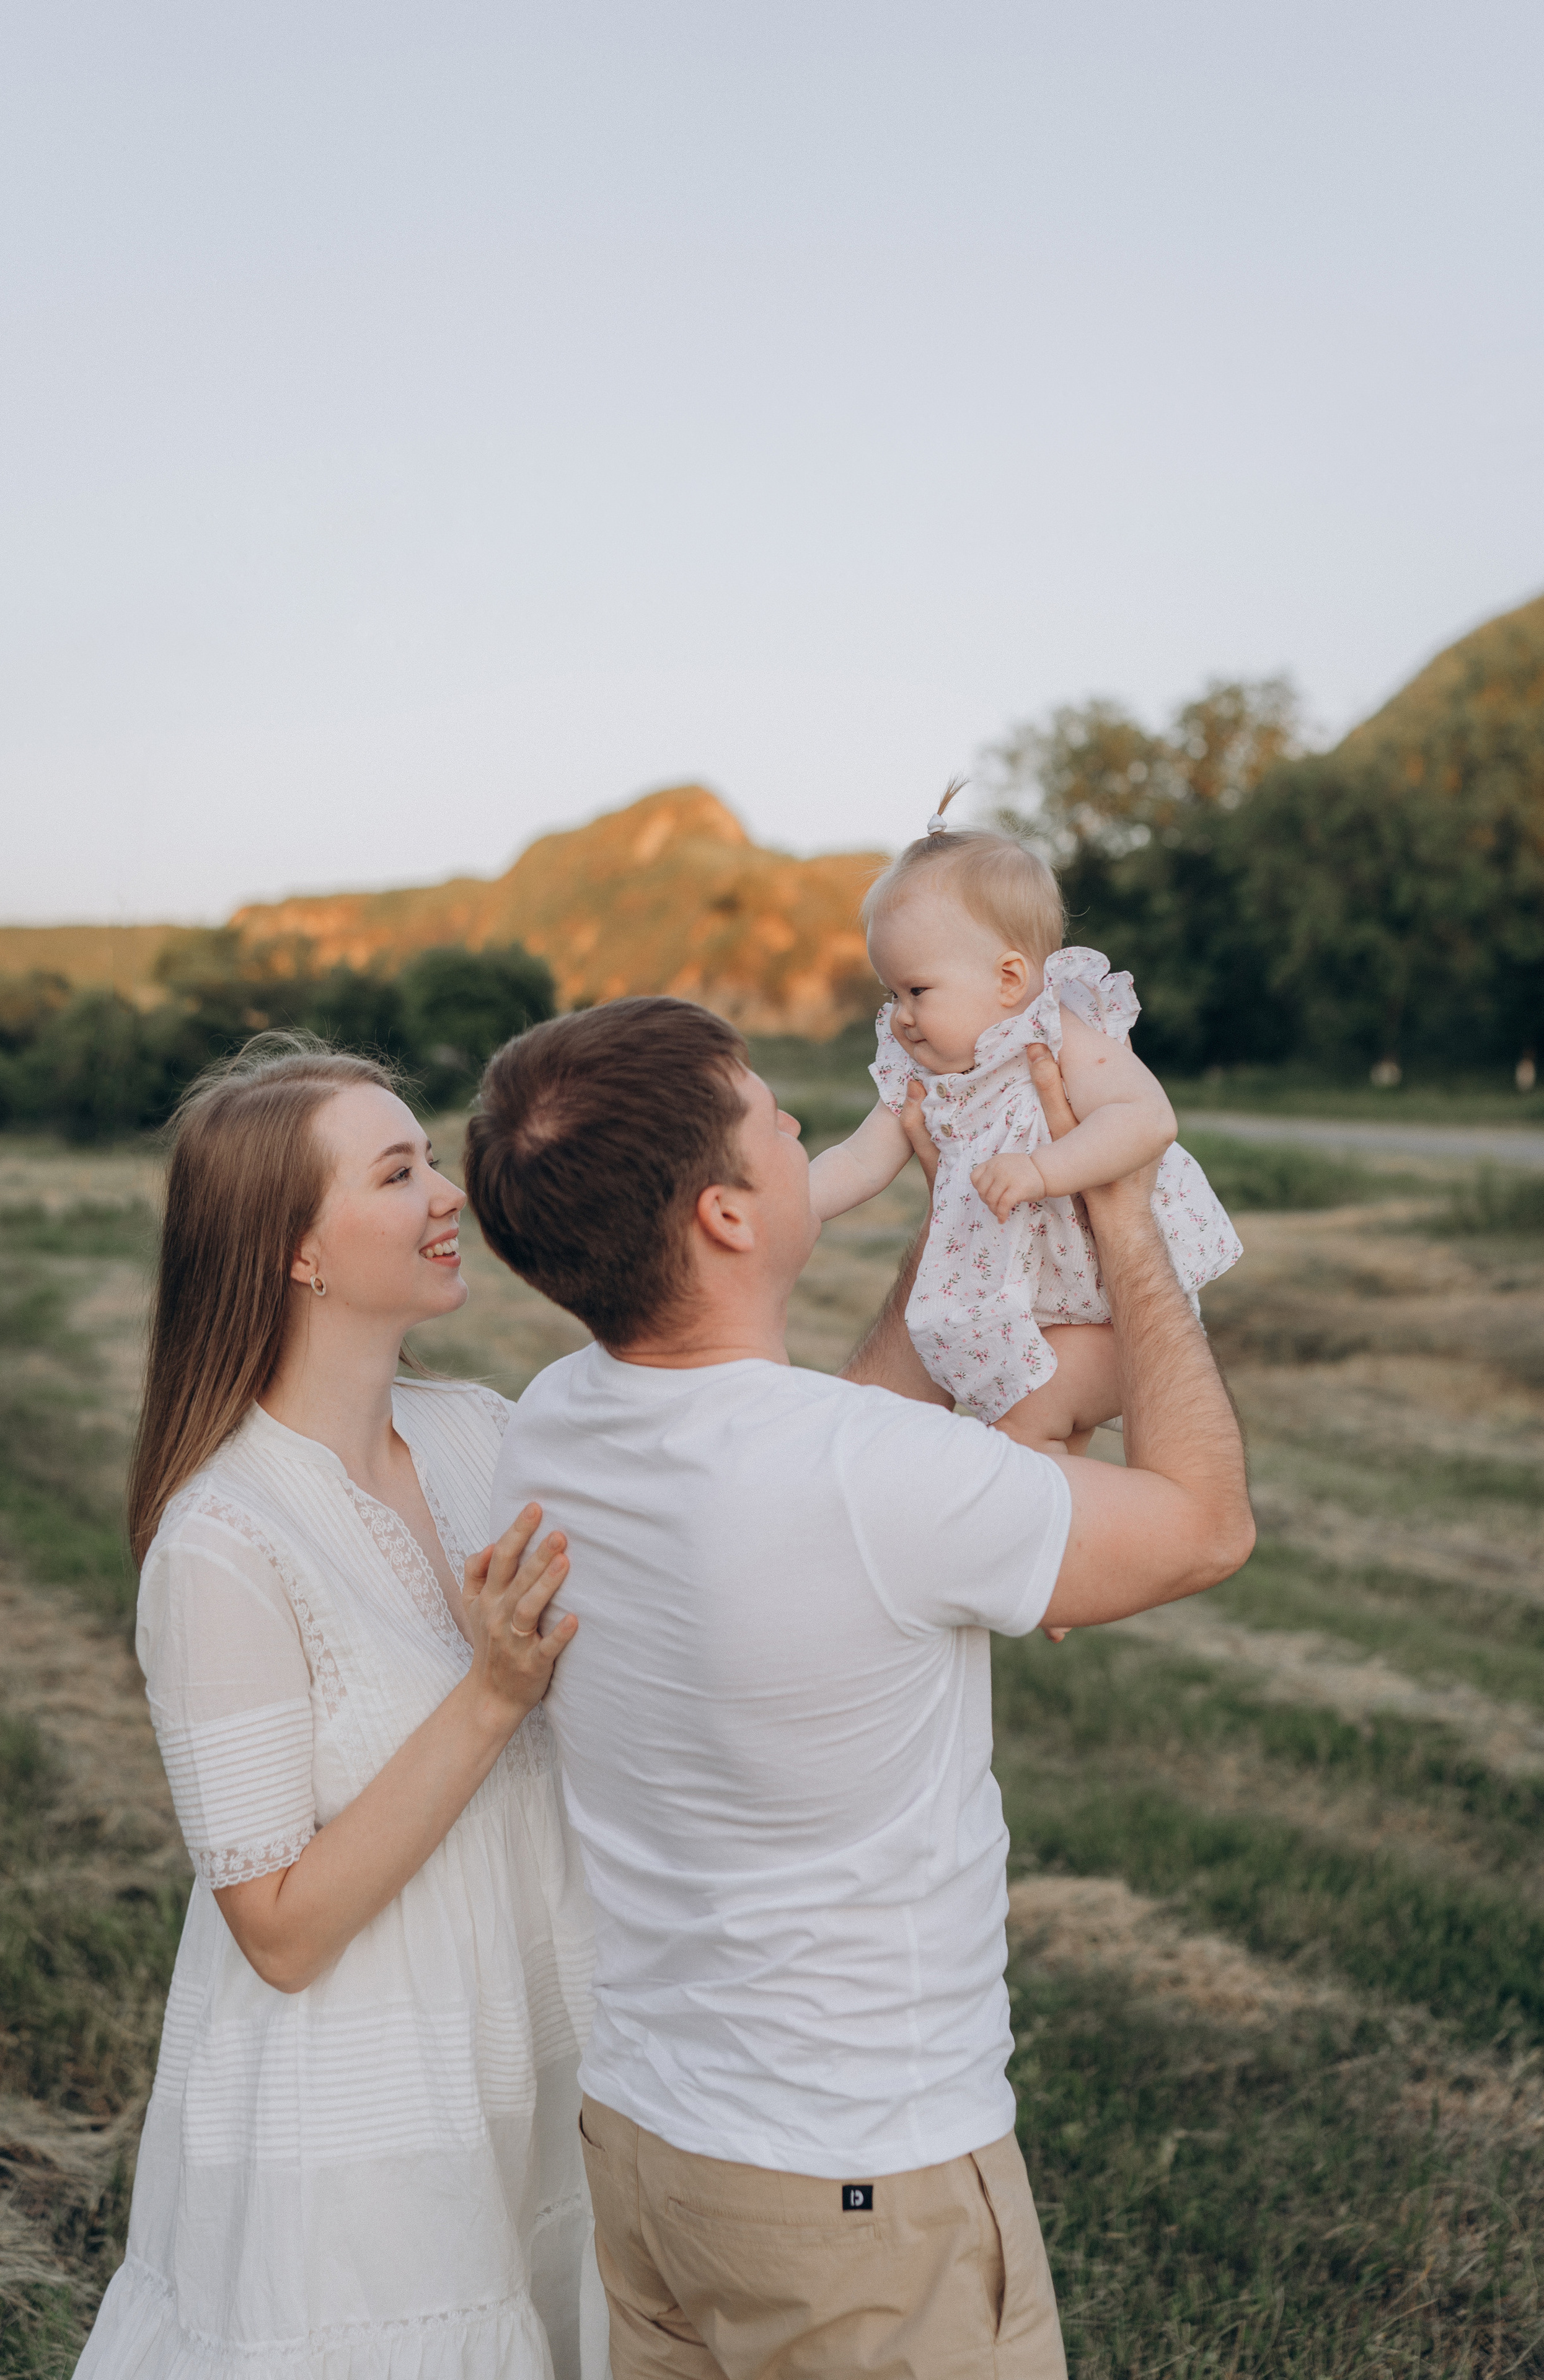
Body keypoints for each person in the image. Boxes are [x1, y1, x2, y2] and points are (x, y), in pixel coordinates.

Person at [464, 994, 1254, 2380]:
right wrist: (1122, 1213)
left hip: (654, 2153)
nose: (797, 1122)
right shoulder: (865, 1483)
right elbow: (1202, 1528)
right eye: (767, 1110)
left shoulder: (553, 1424)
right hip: (859, 2187)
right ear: (722, 1214)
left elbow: (834, 1440)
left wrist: (947, 1221)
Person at [76, 1037, 607, 2380]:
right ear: (296, 1251)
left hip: (539, 2054)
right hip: (366, 2127)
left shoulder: (487, 1435)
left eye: (429, 1157)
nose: (446, 1193)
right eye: (397, 1171)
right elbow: (280, 1931)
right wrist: (488, 1697)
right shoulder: (224, 1541)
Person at [808, 785, 1242, 1455]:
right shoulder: (924, 1073)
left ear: (1009, 979)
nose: (899, 1015)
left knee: (1021, 1428)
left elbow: (1145, 1118)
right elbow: (860, 1159)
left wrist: (1043, 1168)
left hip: (1110, 1309)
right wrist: (790, 1202)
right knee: (1029, 1433)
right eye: (889, 992)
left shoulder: (1057, 1034)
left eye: (917, 990)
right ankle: (1068, 1547)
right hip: (1020, 1303)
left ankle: (1063, 1539)